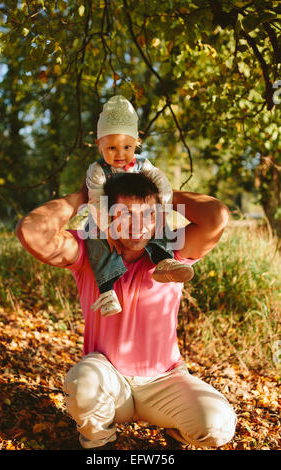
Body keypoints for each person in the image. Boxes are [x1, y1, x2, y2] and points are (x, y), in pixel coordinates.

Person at [15, 171, 237, 450]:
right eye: (125, 214)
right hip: (109, 381)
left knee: (217, 425)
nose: (138, 225)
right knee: (83, 382)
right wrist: (84, 197)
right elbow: (31, 231)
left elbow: (217, 216)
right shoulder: (88, 252)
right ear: (106, 215)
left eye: (148, 215)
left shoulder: (170, 256)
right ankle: (99, 443)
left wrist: (164, 195)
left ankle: (175, 431)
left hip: (164, 380)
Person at [85, 95, 194, 318]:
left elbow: (161, 182)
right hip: (107, 218)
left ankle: (165, 260)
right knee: (95, 240)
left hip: (141, 215)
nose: (120, 154)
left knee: (160, 225)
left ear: (137, 143)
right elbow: (96, 201)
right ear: (99, 145)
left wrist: (161, 207)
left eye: (127, 147)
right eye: (112, 148)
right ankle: (107, 290)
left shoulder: (143, 165)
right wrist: (108, 230)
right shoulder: (97, 171)